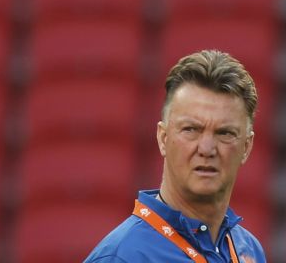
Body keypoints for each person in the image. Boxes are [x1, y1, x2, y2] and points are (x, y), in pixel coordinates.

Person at [84, 49, 267, 262]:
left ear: (246, 147)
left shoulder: (249, 251)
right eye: (191, 129)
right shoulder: (121, 257)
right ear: (163, 138)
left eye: (224, 133)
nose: (207, 149)